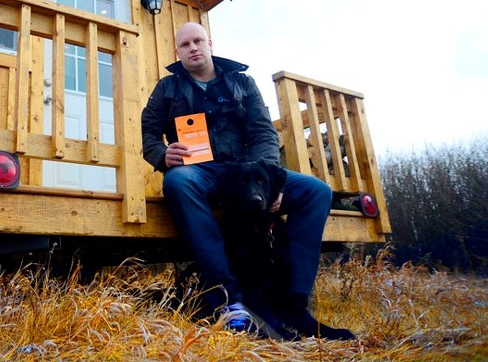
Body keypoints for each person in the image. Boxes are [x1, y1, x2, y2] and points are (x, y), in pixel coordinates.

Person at [141, 22, 353, 339]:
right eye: (185, 45)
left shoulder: (243, 83)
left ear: (210, 43)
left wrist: (271, 185)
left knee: (315, 191)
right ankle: (229, 300)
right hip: (199, 172)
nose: (193, 48)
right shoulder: (167, 87)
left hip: (244, 172)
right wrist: (161, 154)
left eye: (198, 41)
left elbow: (263, 132)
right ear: (178, 52)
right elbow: (148, 132)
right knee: (177, 182)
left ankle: (293, 300)